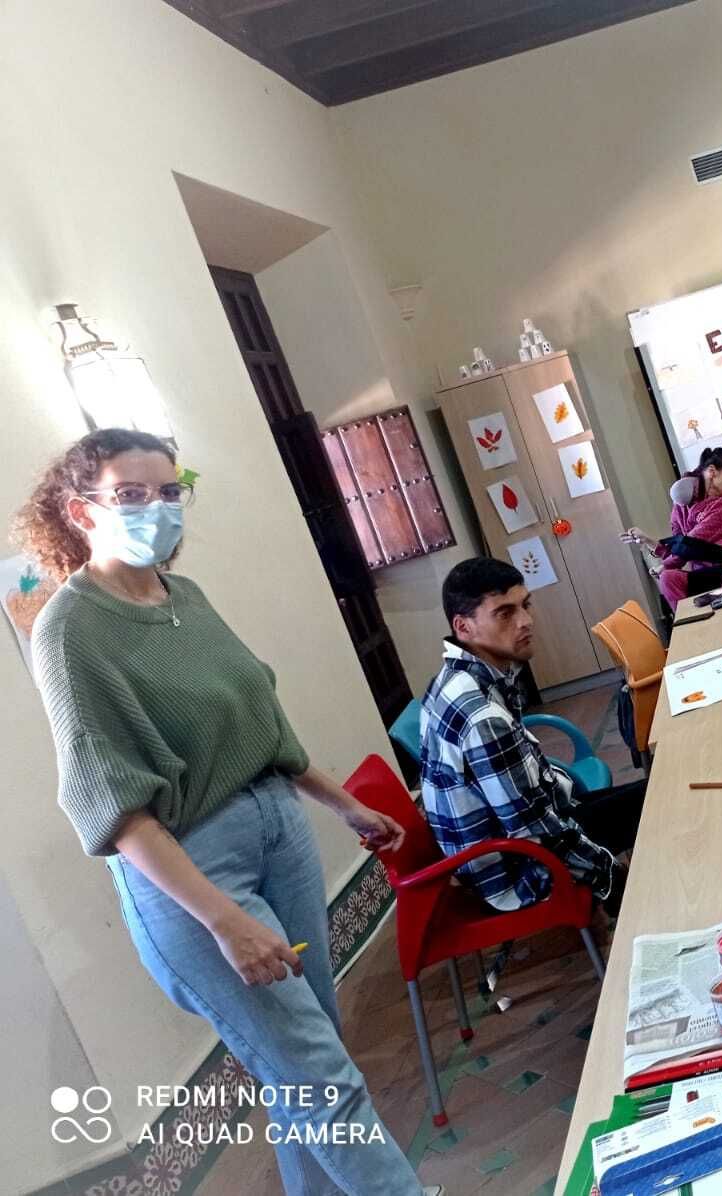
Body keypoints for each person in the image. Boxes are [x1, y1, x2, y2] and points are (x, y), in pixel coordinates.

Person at [17, 429, 431, 1196]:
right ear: (82, 510)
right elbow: (113, 805)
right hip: (193, 871)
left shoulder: (188, 598)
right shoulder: (70, 629)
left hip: (279, 831)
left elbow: (260, 729)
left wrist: (344, 805)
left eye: (170, 492)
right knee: (319, 1076)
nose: (158, 509)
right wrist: (223, 920)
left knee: (306, 1065)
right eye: (131, 495)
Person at [420, 557, 640, 916]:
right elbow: (535, 831)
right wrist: (611, 876)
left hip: (528, 832)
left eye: (525, 605)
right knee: (657, 808)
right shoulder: (481, 716)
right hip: (519, 870)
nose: (526, 621)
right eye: (504, 613)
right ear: (463, 627)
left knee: (657, 792)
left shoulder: (457, 675)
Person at [622, 448, 722, 608]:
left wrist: (664, 564)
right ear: (713, 471)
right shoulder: (681, 508)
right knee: (668, 578)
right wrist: (647, 541)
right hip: (707, 574)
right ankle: (690, 626)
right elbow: (678, 552)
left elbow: (692, 543)